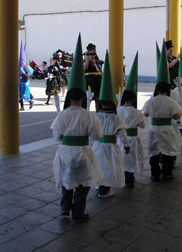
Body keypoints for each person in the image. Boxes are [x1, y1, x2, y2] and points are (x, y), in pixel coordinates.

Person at [51, 35, 103, 222]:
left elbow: (57, 137)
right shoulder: (89, 116)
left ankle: (65, 207)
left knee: (67, 178)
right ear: (83, 98)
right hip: (83, 152)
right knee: (83, 182)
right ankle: (78, 212)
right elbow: (98, 135)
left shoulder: (62, 115)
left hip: (65, 151)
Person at [92, 51, 130, 198]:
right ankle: (105, 189)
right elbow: (122, 134)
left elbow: (93, 132)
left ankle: (99, 186)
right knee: (109, 166)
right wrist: (126, 146)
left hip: (99, 145)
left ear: (100, 103)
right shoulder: (116, 118)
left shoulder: (96, 117)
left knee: (99, 165)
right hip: (112, 147)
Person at [142, 45, 182, 181]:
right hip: (167, 129)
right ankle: (167, 173)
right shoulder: (171, 101)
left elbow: (145, 114)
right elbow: (176, 116)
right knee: (167, 152)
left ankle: (154, 173)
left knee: (154, 152)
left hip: (154, 129)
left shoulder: (151, 101)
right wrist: (181, 111)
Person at [118, 52, 146, 187]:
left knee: (121, 159)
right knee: (131, 159)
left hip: (120, 139)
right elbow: (143, 125)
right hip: (133, 139)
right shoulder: (136, 112)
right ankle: (129, 178)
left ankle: (121, 177)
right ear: (134, 99)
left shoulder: (118, 110)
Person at [83, 44, 102, 112]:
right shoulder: (86, 60)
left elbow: (101, 71)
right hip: (90, 81)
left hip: (98, 81)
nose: (92, 53)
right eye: (90, 51)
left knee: (98, 99)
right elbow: (85, 68)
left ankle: (98, 113)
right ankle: (86, 112)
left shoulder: (98, 61)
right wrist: (88, 58)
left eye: (93, 51)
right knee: (89, 98)